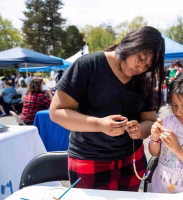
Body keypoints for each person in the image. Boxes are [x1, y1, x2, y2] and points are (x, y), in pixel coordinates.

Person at [49, 26, 165, 191]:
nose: (140, 68)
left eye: (147, 66)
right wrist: (99, 125)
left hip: (131, 161)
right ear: (131, 44)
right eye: (140, 58)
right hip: (89, 160)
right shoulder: (88, 65)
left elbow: (150, 121)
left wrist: (139, 130)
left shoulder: (143, 79)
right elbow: (56, 112)